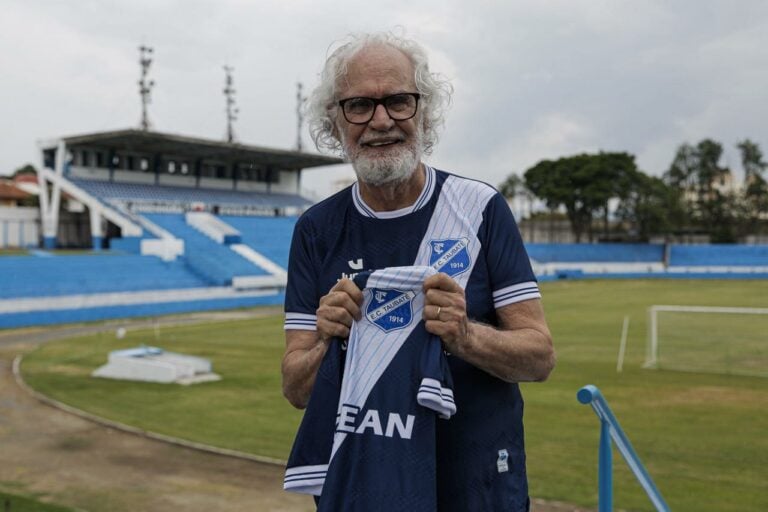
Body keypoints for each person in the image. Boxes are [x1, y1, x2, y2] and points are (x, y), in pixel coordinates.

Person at [282, 31, 555, 511]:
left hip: (477, 486)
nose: (381, 120)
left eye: (399, 100)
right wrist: (326, 340)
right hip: (365, 485)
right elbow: (295, 389)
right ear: (335, 120)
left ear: (423, 110)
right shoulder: (315, 229)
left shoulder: (480, 208)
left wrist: (466, 335)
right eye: (359, 104)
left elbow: (539, 358)